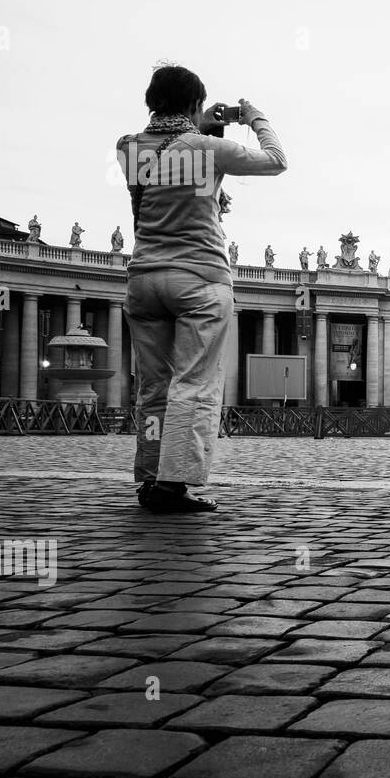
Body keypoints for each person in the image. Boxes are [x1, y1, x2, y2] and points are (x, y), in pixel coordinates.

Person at [120, 64, 287, 512]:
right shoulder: (207, 148)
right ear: (195, 104)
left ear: (151, 102)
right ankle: (175, 486)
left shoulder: (130, 149)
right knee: (194, 383)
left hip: (143, 280)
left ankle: (151, 477)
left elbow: (171, 171)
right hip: (199, 280)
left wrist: (198, 126)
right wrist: (254, 117)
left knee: (153, 387)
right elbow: (276, 160)